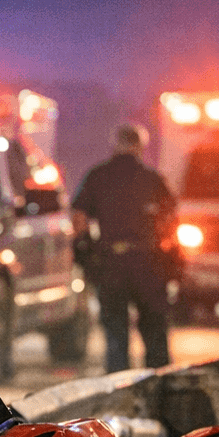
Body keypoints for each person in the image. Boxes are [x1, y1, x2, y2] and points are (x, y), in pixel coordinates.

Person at [70, 124, 179, 374]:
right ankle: (158, 388)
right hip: (148, 264)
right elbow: (171, 221)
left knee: (116, 335)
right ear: (141, 145)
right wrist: (169, 257)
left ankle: (120, 391)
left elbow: (79, 217)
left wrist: (86, 250)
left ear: (115, 143)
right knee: (155, 335)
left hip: (111, 263)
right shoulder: (153, 178)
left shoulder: (98, 176)